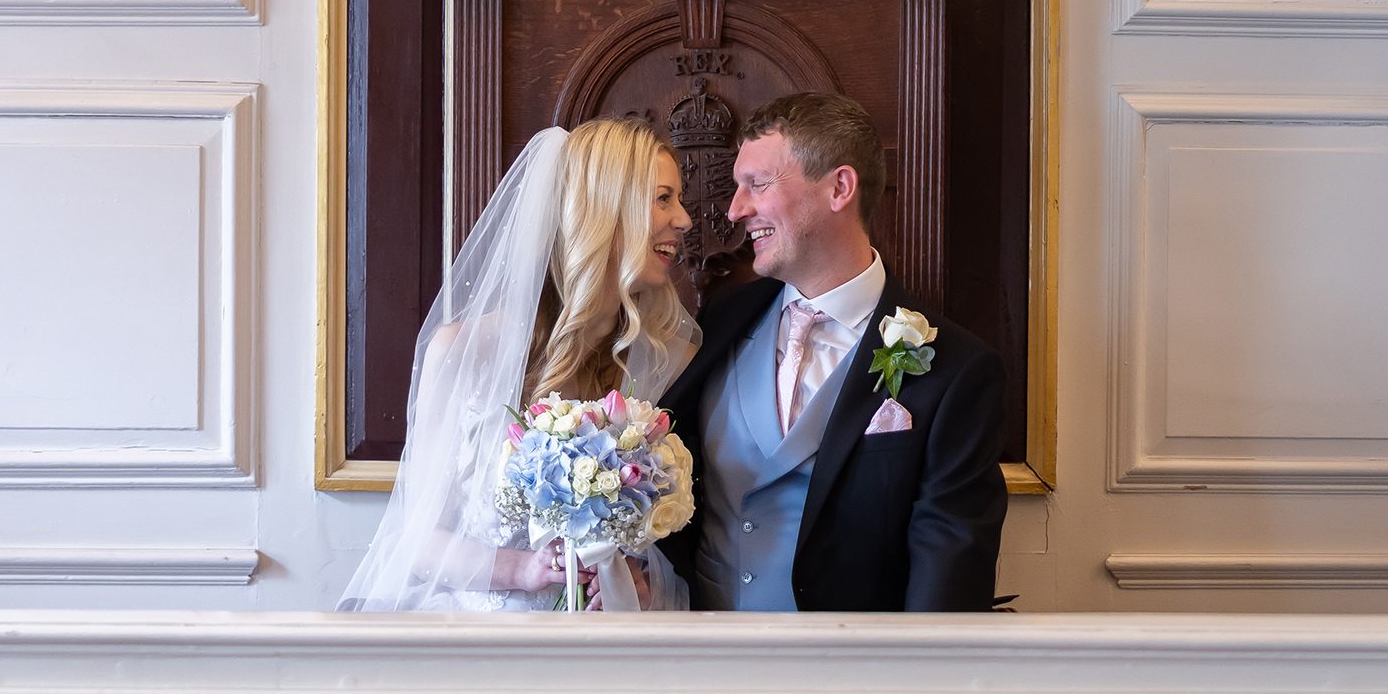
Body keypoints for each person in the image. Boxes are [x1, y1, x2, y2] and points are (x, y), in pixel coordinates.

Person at [659, 92, 1007, 613]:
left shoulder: (957, 369)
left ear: (839, 187)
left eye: (757, 184)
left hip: (853, 678)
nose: (735, 209)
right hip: (701, 663)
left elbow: (949, 573)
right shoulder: (718, 325)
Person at [339, 119, 697, 612]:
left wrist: (636, 581)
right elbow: (420, 541)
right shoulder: (464, 351)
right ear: (605, 211)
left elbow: (673, 540)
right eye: (663, 198)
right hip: (484, 645)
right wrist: (523, 570)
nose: (684, 220)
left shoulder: (665, 360)